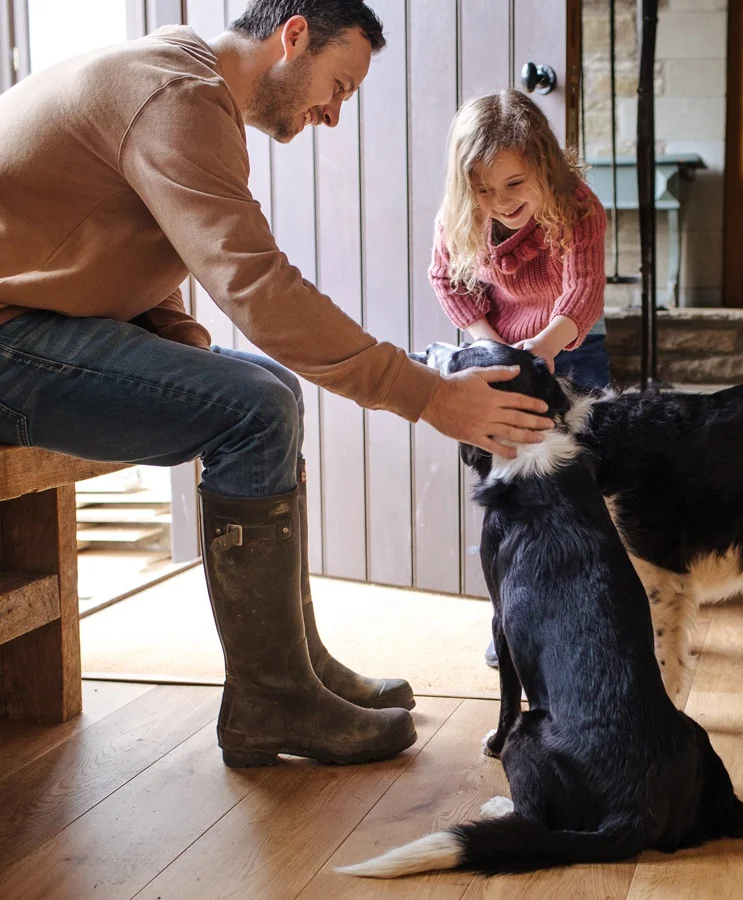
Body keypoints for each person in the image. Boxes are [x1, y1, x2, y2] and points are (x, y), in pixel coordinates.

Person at [0, 0, 554, 767]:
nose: (334, 114)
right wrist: (427, 394)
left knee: (262, 389)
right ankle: (270, 701)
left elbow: (143, 264)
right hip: (9, 341)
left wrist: (199, 358)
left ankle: (295, 666)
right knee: (255, 406)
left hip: (32, 327)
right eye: (339, 85)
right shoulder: (177, 98)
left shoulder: (184, 85)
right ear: (292, 36)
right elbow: (258, 286)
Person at [428, 90, 609, 668]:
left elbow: (580, 295)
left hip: (568, 347)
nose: (500, 202)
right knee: (507, 498)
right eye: (483, 189)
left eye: (514, 184)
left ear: (544, 167)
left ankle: (591, 614)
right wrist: (491, 344)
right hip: (503, 351)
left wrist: (540, 352)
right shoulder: (461, 215)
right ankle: (508, 617)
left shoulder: (578, 207)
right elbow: (447, 280)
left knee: (580, 493)